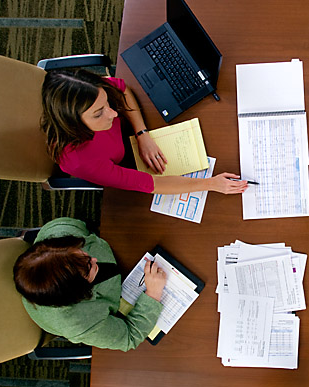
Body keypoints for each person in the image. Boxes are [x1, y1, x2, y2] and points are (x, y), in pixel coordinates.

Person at [41, 69, 248, 194]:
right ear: (73, 122)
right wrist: (211, 184)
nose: (113, 113)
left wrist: (142, 134)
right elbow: (151, 184)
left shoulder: (89, 92)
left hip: (133, 136)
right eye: (98, 114)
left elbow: (122, 90)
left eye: (107, 103)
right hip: (127, 163)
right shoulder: (80, 161)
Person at [14, 217, 166, 351]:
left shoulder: (59, 230)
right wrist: (153, 294)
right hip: (110, 297)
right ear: (77, 292)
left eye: (80, 251)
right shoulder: (80, 324)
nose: (93, 259)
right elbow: (130, 337)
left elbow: (81, 226)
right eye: (87, 267)